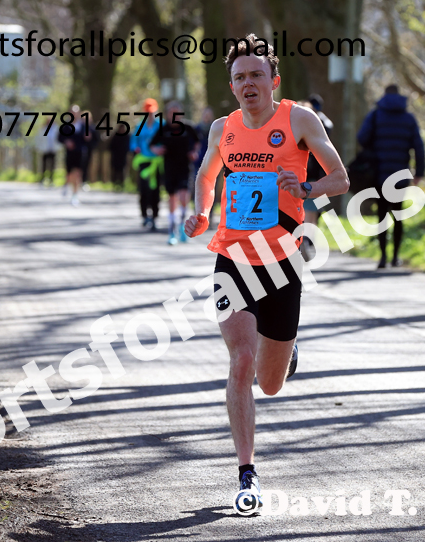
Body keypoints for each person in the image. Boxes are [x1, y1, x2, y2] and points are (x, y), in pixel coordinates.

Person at [184, 33, 349, 508]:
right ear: (232, 86)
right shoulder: (222, 128)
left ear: (273, 81)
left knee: (270, 383)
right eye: (240, 77)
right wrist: (201, 211)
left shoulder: (299, 119)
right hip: (232, 257)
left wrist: (307, 188)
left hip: (281, 262)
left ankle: (286, 352)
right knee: (240, 360)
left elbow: (341, 178)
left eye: (257, 75)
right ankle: (247, 474)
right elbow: (206, 175)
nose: (249, 83)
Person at [357, 84, 425, 269]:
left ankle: (382, 257)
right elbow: (419, 146)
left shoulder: (375, 116)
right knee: (398, 215)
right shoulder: (409, 118)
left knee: (382, 216)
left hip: (379, 173)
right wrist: (419, 172)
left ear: (384, 95)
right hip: (400, 175)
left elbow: (362, 138)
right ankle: (395, 257)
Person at [150, 101, 199, 245]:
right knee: (172, 198)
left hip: (185, 167)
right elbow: (152, 144)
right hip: (169, 168)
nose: (175, 116)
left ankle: (183, 226)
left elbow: (198, 141)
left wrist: (194, 152)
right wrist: (157, 150)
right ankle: (172, 231)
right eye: (172, 113)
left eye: (177, 113)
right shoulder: (163, 129)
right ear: (167, 114)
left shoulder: (188, 127)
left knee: (183, 197)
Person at [301, 94, 333, 261]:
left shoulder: (300, 125)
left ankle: (304, 241)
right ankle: (307, 240)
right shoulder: (324, 124)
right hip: (317, 176)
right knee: (312, 212)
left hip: (306, 175)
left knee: (308, 211)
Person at [130, 98, 164, 231]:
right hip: (144, 161)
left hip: (157, 161)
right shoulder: (139, 126)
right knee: (144, 188)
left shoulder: (161, 125)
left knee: (155, 189)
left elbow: (166, 140)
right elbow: (133, 142)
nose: (150, 114)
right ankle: (144, 215)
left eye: (152, 112)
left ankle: (154, 216)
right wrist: (136, 148)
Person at [58, 105, 86, 206]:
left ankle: (75, 195)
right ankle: (66, 185)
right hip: (69, 153)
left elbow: (90, 139)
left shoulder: (83, 125)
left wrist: (88, 138)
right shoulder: (66, 126)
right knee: (69, 173)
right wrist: (66, 142)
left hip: (80, 152)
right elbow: (60, 138)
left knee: (77, 173)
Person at [36, 116, 59, 187]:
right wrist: (39, 148)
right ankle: (43, 178)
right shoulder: (43, 128)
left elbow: (58, 139)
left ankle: (51, 179)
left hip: (53, 149)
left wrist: (58, 148)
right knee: (44, 165)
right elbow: (39, 138)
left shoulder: (56, 129)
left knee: (52, 165)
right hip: (45, 149)